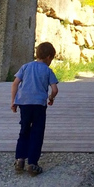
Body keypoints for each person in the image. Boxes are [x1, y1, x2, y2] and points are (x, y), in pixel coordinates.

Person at [11, 42, 59, 175]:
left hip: (24, 104)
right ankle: (32, 163)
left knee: (24, 130)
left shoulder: (25, 67)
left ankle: (20, 159)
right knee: (37, 132)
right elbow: (55, 89)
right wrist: (51, 98)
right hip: (39, 106)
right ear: (49, 57)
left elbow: (15, 83)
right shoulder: (48, 70)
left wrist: (13, 101)